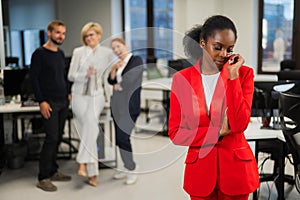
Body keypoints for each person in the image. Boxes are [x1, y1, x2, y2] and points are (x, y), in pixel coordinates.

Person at [168, 15, 259, 200]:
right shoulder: (182, 80)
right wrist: (216, 132)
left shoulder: (243, 75)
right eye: (218, 47)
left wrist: (232, 78)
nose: (224, 54)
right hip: (200, 172)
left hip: (236, 172)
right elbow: (176, 132)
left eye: (229, 49)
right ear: (202, 43)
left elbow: (239, 124)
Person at [68, 22, 113, 187]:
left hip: (97, 95)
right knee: (91, 127)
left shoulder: (107, 53)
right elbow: (71, 75)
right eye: (86, 36)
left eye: (92, 35)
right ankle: (92, 175)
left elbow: (112, 72)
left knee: (90, 124)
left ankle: (82, 162)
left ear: (99, 35)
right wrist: (84, 74)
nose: (89, 38)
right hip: (79, 95)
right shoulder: (78, 52)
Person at [30, 20, 71, 192]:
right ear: (49, 33)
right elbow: (34, 79)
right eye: (57, 33)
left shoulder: (61, 54)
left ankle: (53, 171)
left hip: (63, 101)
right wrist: (42, 101)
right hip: (50, 102)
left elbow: (63, 75)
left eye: (63, 33)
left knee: (58, 137)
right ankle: (43, 177)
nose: (61, 36)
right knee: (51, 138)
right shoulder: (39, 53)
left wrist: (68, 92)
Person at [107, 38, 143, 185]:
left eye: (118, 46)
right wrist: (114, 69)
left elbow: (130, 79)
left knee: (123, 137)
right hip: (117, 105)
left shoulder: (136, 60)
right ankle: (123, 166)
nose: (116, 50)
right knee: (118, 138)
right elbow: (110, 81)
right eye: (114, 48)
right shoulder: (118, 64)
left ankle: (132, 168)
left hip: (130, 107)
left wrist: (118, 83)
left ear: (125, 46)